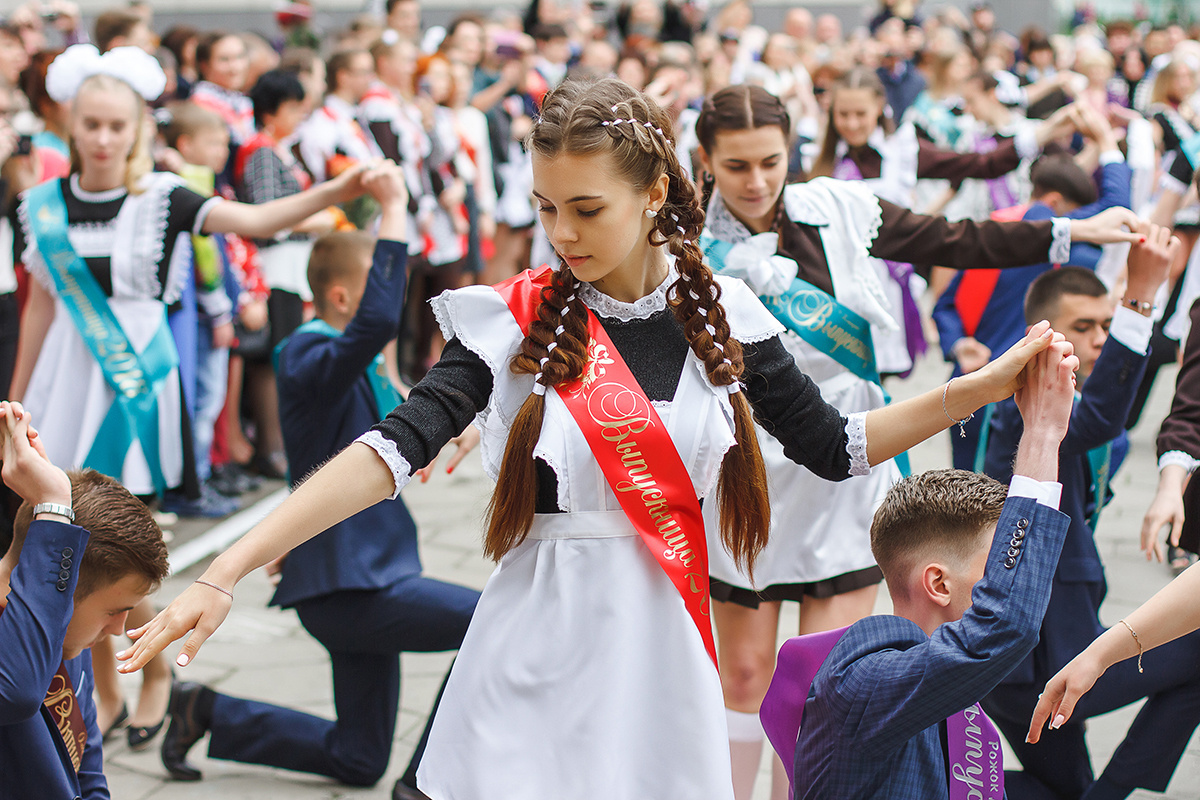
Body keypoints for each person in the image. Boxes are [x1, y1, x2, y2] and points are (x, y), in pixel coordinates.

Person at [118, 77, 1056, 800]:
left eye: (587, 208)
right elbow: (390, 450)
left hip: (663, 648)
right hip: (534, 637)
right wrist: (226, 569)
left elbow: (835, 445)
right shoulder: (514, 319)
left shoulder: (725, 312)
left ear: (654, 193)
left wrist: (969, 392)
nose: (561, 233)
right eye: (546, 207)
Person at [692, 83, 1142, 800]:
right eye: (736, 165)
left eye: (770, 162)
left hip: (846, 456)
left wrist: (1069, 231)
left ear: (790, 153)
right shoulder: (687, 249)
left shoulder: (838, 207)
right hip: (748, 468)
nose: (756, 181)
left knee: (821, 675)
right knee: (744, 676)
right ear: (706, 160)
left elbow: (954, 239)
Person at [157, 163, 479, 800]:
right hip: (347, 586)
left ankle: (207, 712)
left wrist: (465, 429)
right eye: (377, 286)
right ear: (340, 298)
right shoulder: (305, 352)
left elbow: (404, 421)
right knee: (487, 622)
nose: (390, 299)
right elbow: (377, 323)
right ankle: (423, 784)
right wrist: (392, 210)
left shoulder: (344, 359)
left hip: (364, 574)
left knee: (358, 758)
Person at [9, 44, 374, 510]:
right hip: (65, 375)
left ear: (138, 129)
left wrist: (336, 191)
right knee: (53, 507)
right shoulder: (40, 206)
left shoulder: (164, 197)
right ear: (71, 124)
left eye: (117, 126)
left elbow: (258, 220)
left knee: (124, 512)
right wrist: (16, 403)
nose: (103, 139)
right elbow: (40, 311)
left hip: (140, 373)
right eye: (91, 124)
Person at [770, 331, 1076, 799]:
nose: (1012, 582)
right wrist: (1042, 434)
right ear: (938, 583)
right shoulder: (864, 684)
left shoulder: (919, 673)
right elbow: (1005, 625)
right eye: (997, 568)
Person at [979, 231, 1200, 800]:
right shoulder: (1025, 407)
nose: (1100, 339)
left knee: (1066, 790)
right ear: (1040, 339)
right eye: (1084, 327)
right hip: (1036, 660)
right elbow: (1101, 418)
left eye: (1106, 325)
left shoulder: (1052, 406)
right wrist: (1140, 299)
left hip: (1044, 650)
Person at [808, 66, 1075, 376]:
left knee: (878, 375)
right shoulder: (821, 159)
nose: (852, 124)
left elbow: (980, 164)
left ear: (879, 107)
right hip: (835, 286)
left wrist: (1045, 132)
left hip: (888, 285)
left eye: (860, 114)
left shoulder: (902, 152)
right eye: (843, 114)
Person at [933, 113, 1134, 470]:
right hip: (1018, 397)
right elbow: (1118, 208)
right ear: (1055, 205)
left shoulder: (995, 228)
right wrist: (1106, 142)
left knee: (963, 486)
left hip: (967, 387)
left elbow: (945, 305)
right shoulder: (1049, 230)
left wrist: (958, 343)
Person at [0, 400, 170, 799]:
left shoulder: (72, 642)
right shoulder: (39, 640)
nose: (119, 628)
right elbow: (17, 694)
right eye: (113, 611)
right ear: (60, 583)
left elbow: (87, 770)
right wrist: (53, 505)